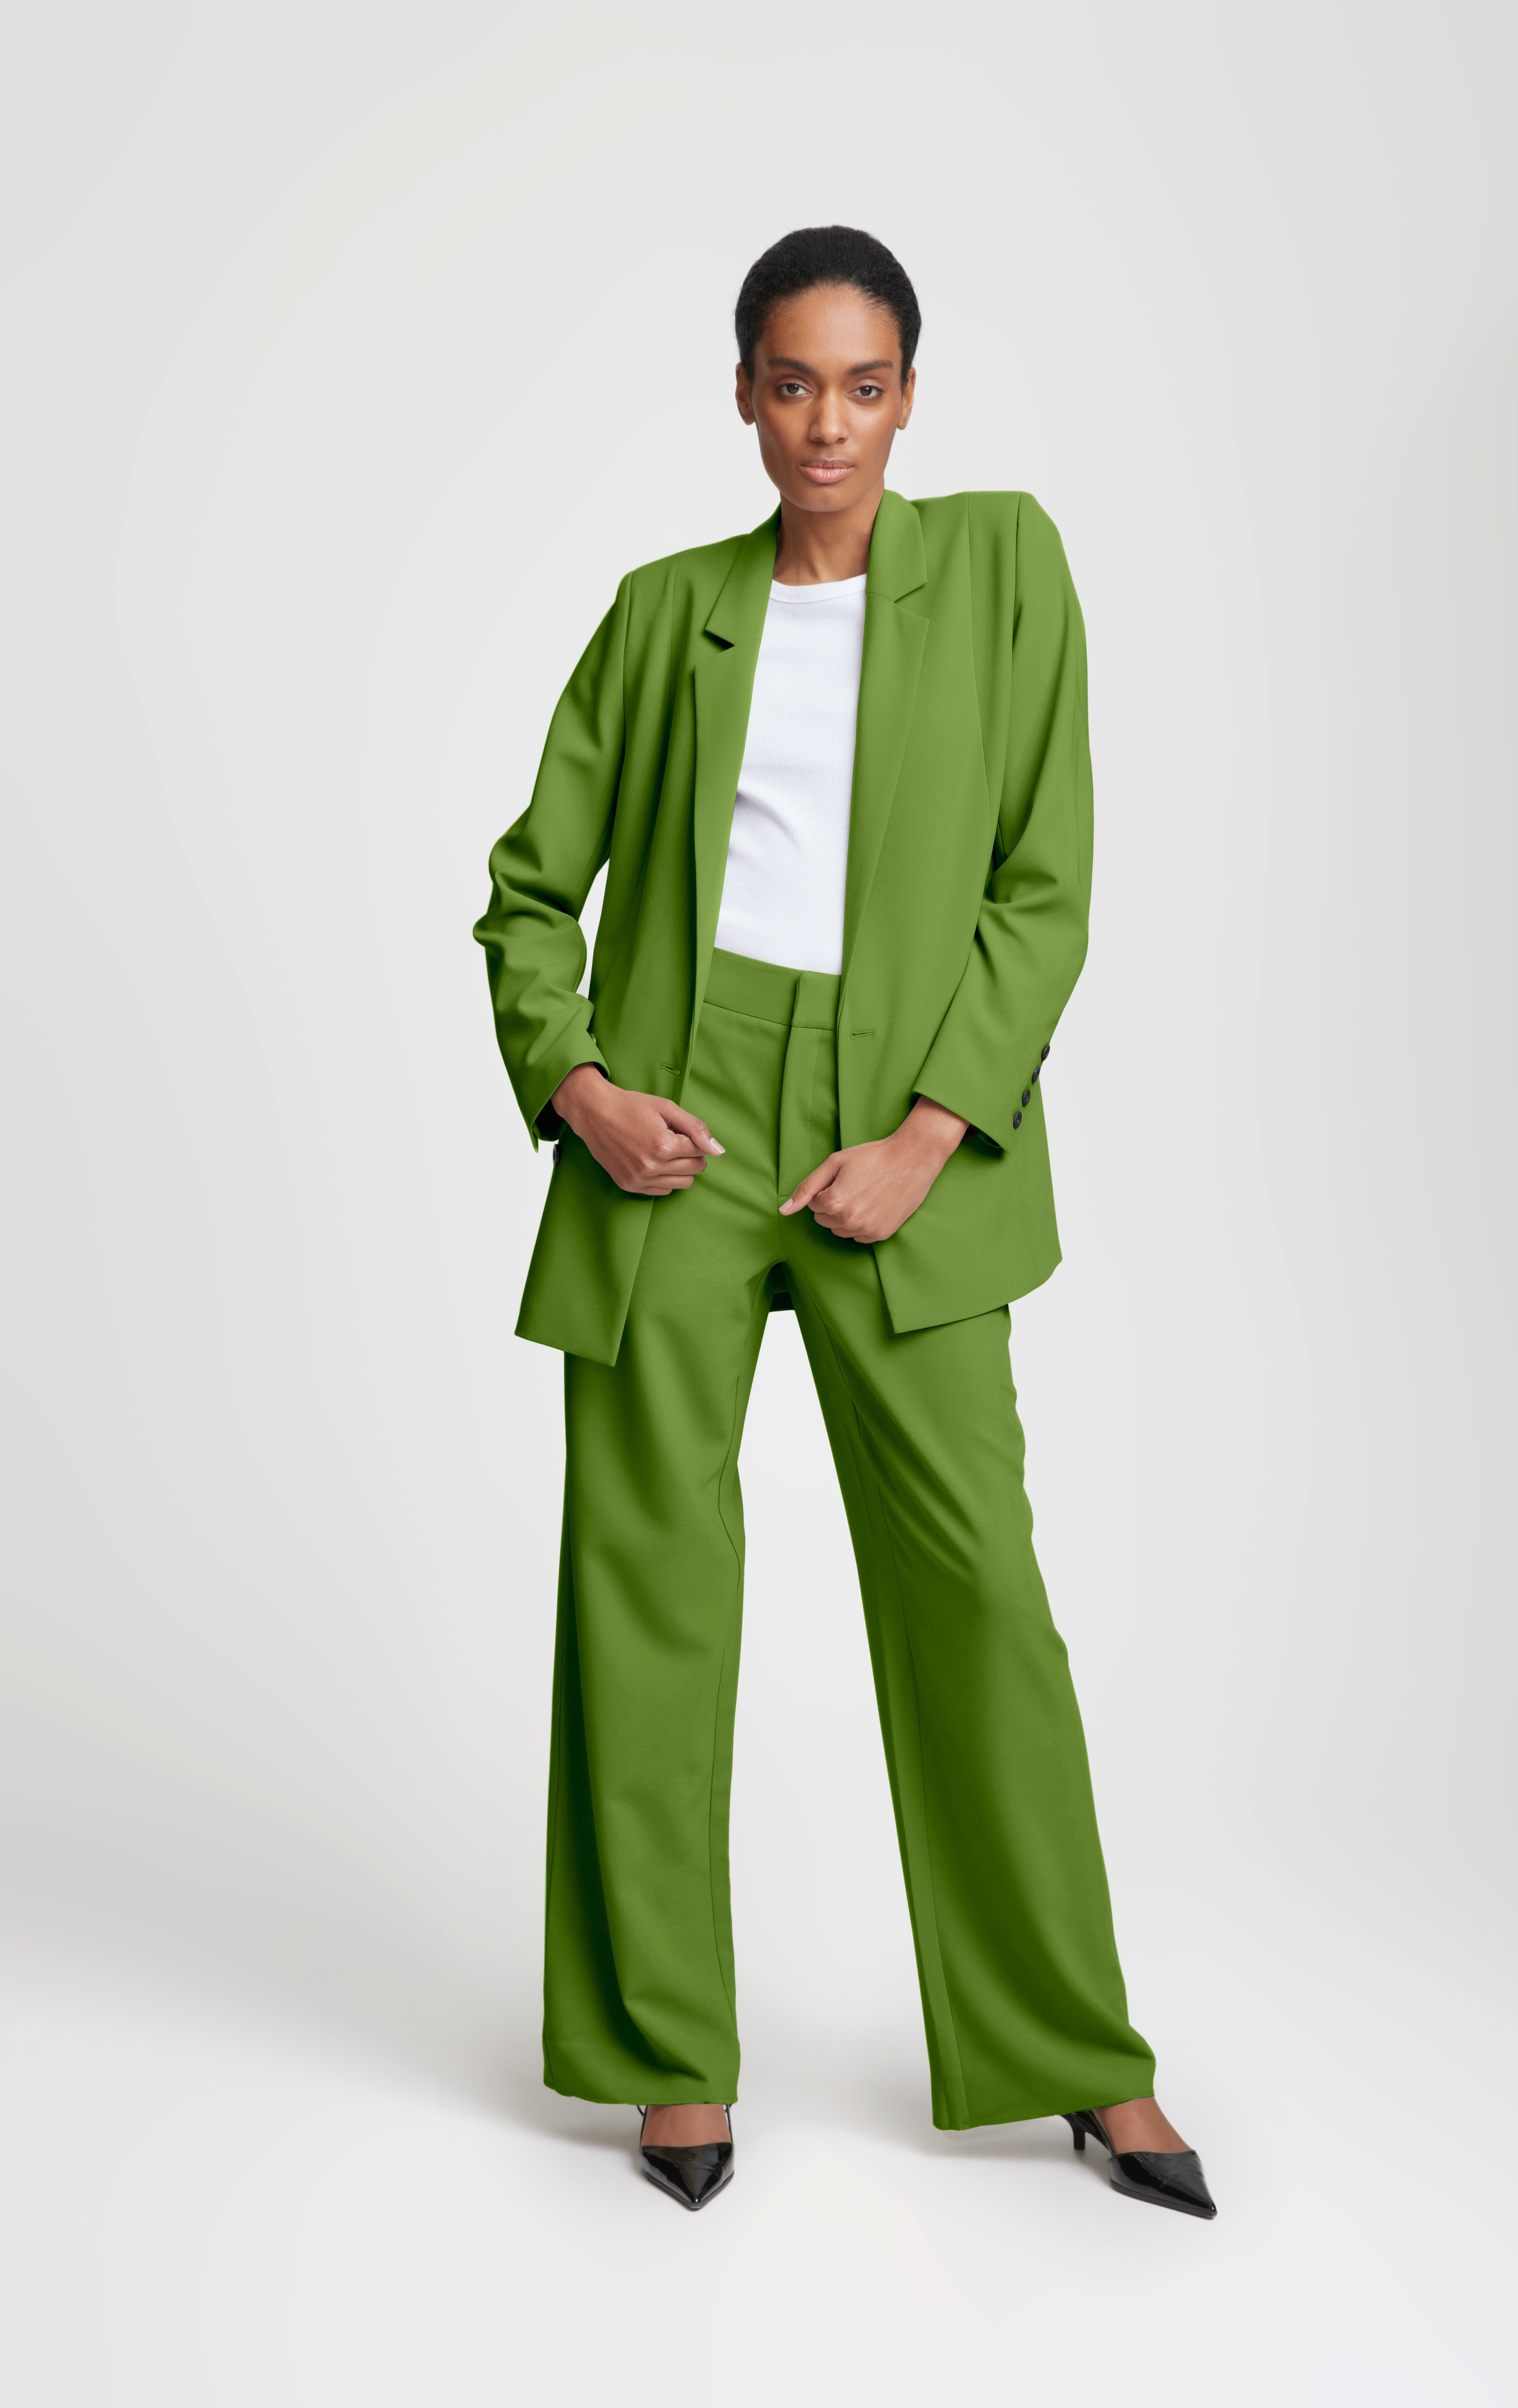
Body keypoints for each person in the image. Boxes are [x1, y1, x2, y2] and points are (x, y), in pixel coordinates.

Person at [474, 225, 1215, 2221]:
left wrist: (932, 1129)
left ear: (908, 398)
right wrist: (582, 1085)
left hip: (904, 1130)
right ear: (744, 393)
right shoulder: (666, 614)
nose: (828, 423)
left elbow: (1044, 886)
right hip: (679, 1120)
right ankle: (663, 2056)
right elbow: (529, 894)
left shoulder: (1005, 568)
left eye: (863, 385)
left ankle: (1077, 2050)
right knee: (645, 1582)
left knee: (978, 1588)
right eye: (792, 383)